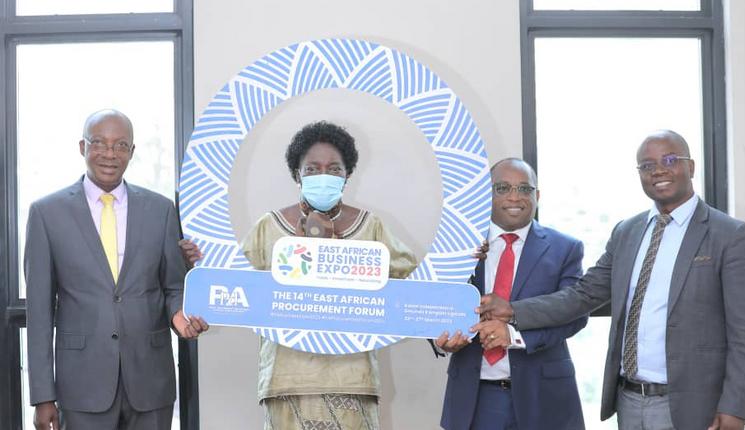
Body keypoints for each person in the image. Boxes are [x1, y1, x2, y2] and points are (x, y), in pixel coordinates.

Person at [477, 130, 745, 430]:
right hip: (629, 400)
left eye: (669, 160)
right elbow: (582, 296)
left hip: (692, 405)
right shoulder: (628, 232)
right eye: (647, 165)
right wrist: (513, 311)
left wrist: (736, 407)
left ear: (690, 167)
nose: (659, 170)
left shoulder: (729, 235)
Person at [184, 121, 417, 429]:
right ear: (297, 174)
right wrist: (198, 263)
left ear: (348, 175)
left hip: (352, 378)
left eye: (334, 169)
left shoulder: (371, 227)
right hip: (286, 378)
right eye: (313, 169)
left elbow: (416, 285)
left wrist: (462, 264)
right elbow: (229, 283)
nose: (324, 176)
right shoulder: (269, 227)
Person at [25, 109, 208, 430]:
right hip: (81, 385)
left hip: (151, 382)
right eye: (99, 143)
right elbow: (39, 312)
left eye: (121, 145)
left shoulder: (162, 210)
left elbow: (174, 286)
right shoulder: (46, 213)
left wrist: (180, 314)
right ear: (82, 147)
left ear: (132, 152)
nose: (110, 154)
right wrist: (43, 396)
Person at [435, 158, 587, 429]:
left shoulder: (565, 248)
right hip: (475, 398)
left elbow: (574, 316)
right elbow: (435, 303)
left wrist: (516, 336)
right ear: (487, 194)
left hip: (544, 398)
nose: (514, 197)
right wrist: (441, 338)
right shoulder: (458, 246)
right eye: (503, 188)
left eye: (524, 189)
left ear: (537, 196)